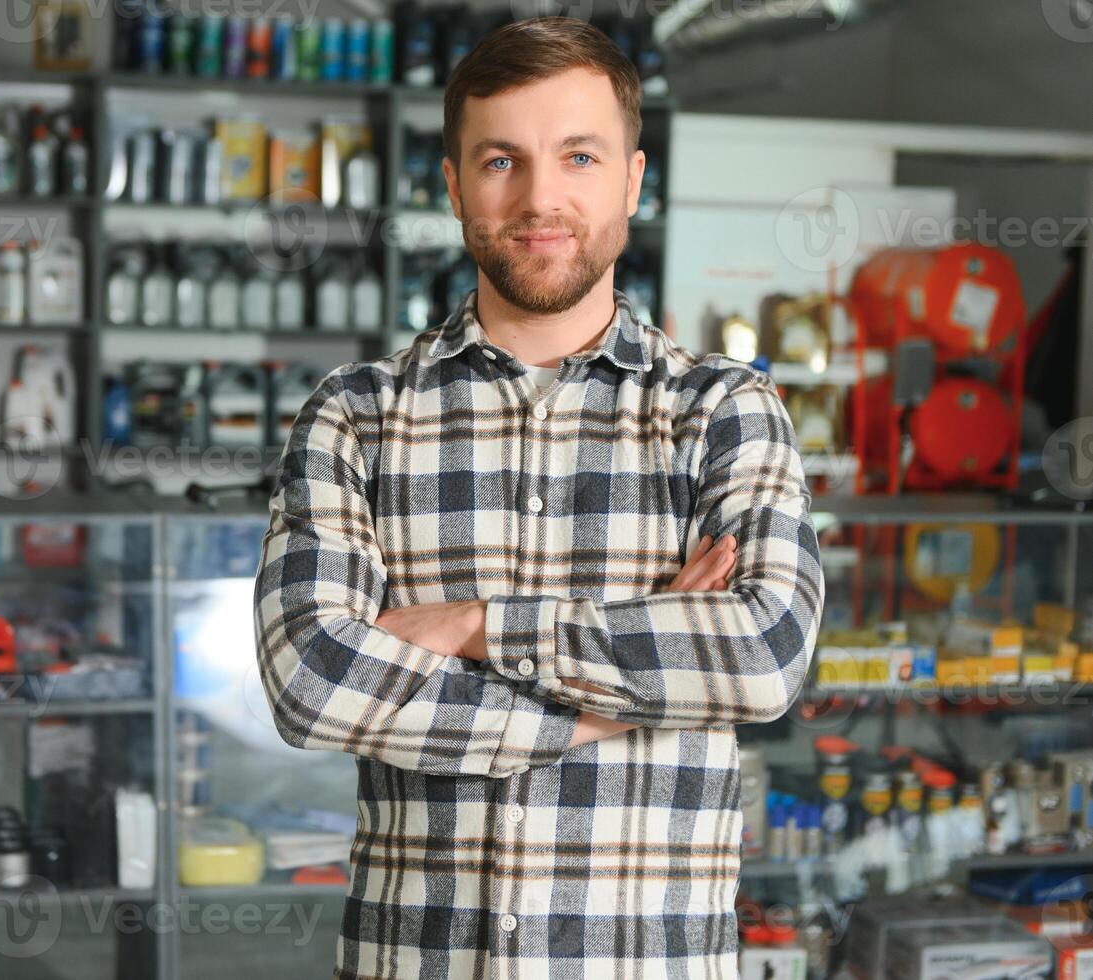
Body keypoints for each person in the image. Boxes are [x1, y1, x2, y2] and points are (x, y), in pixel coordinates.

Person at [253, 16, 823, 977]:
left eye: (579, 157)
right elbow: (310, 682)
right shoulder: (354, 415)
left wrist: (472, 628)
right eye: (500, 161)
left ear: (633, 181)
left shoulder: (725, 409)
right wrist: (621, 702)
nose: (539, 198)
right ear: (452, 185)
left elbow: (764, 657)